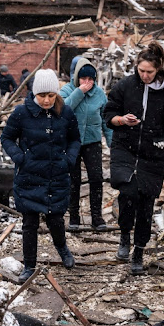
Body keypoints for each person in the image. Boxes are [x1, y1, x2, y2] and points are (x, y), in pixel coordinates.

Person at [103, 42, 164, 274]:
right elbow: (108, 113)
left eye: (149, 71)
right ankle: (124, 236)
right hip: (125, 148)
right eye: (142, 71)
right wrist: (120, 120)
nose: (145, 75)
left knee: (146, 203)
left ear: (158, 69)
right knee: (128, 195)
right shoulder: (126, 86)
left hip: (153, 153)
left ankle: (138, 251)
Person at [1, 69, 81, 283]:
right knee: (29, 223)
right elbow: (7, 138)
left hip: (57, 176)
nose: (46, 100)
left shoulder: (66, 112)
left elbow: (75, 140)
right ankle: (29, 265)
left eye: (51, 95)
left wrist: (69, 159)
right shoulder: (21, 113)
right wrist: (20, 157)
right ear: (34, 94)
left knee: (56, 218)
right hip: (29, 176)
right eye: (42, 95)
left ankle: (63, 250)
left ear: (56, 94)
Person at [60, 57, 113, 231]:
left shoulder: (99, 94)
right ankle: (74, 217)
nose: (87, 82)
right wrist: (79, 92)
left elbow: (106, 120)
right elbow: (63, 110)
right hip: (72, 142)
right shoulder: (67, 91)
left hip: (92, 141)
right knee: (73, 180)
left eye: (90, 79)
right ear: (76, 78)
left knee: (96, 178)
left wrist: (111, 141)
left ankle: (96, 217)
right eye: (83, 79)